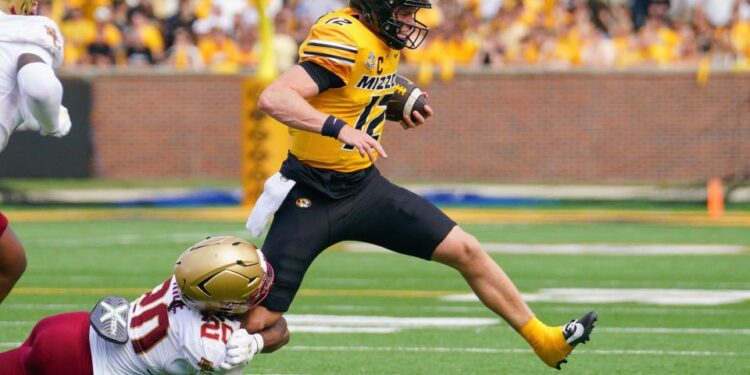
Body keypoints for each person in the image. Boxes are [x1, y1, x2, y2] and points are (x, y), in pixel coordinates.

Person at [245, 0, 597, 369]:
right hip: (310, 193)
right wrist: (340, 128)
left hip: (363, 189)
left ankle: (546, 341)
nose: (410, 23)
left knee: (466, 250)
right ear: (374, 8)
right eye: (403, 13)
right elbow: (275, 97)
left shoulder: (382, 40)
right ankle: (202, 349)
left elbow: (352, 88)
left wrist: (390, 102)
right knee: (260, 322)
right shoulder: (343, 36)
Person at [0, 236, 290, 374]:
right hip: (82, 367)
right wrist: (256, 343)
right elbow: (278, 327)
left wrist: (256, 340)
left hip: (68, 327)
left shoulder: (188, 277)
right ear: (223, 298)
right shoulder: (209, 347)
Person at [0, 0, 72, 304]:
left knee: (10, 260)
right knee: (8, 263)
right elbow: (40, 86)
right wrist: (52, 122)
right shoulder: (29, 29)